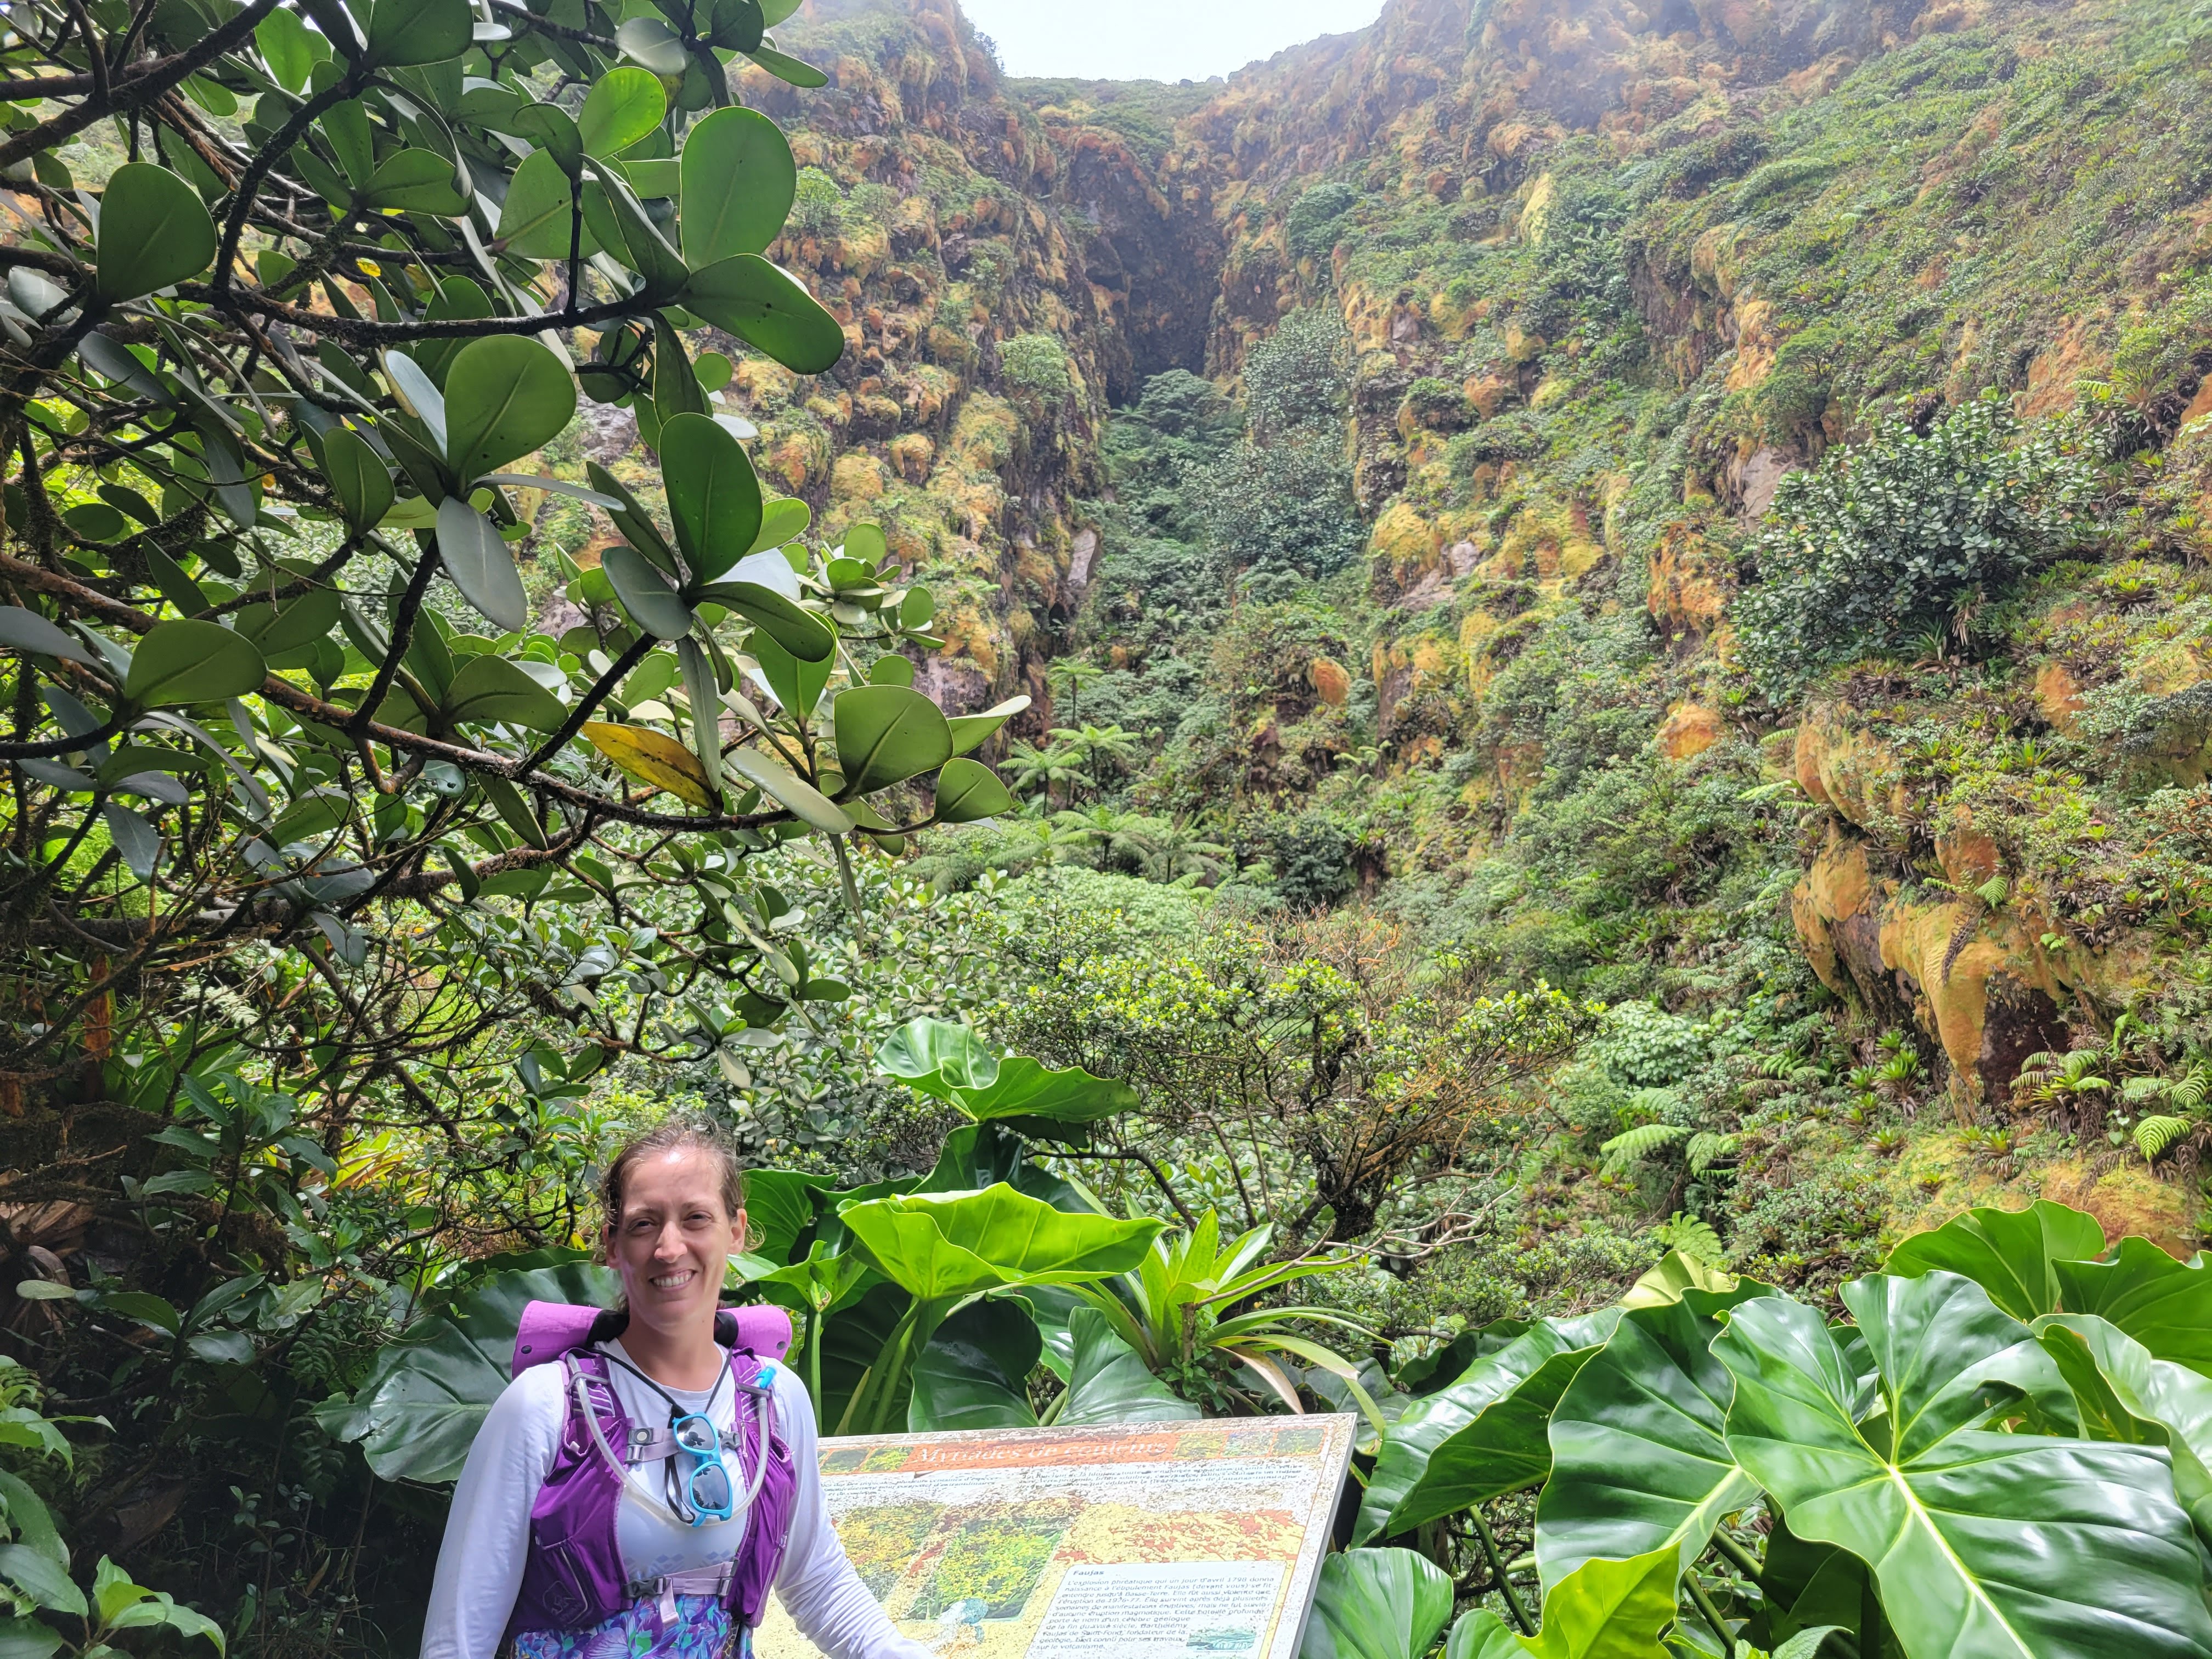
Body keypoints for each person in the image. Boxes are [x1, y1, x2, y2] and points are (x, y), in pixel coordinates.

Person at [420, 1122, 931, 1659]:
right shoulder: (546, 1407)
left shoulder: (773, 1400)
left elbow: (816, 1577)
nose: (669, 1247)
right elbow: (458, 1636)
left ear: (735, 1231)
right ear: (612, 1244)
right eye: (644, 1225)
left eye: (695, 1218)